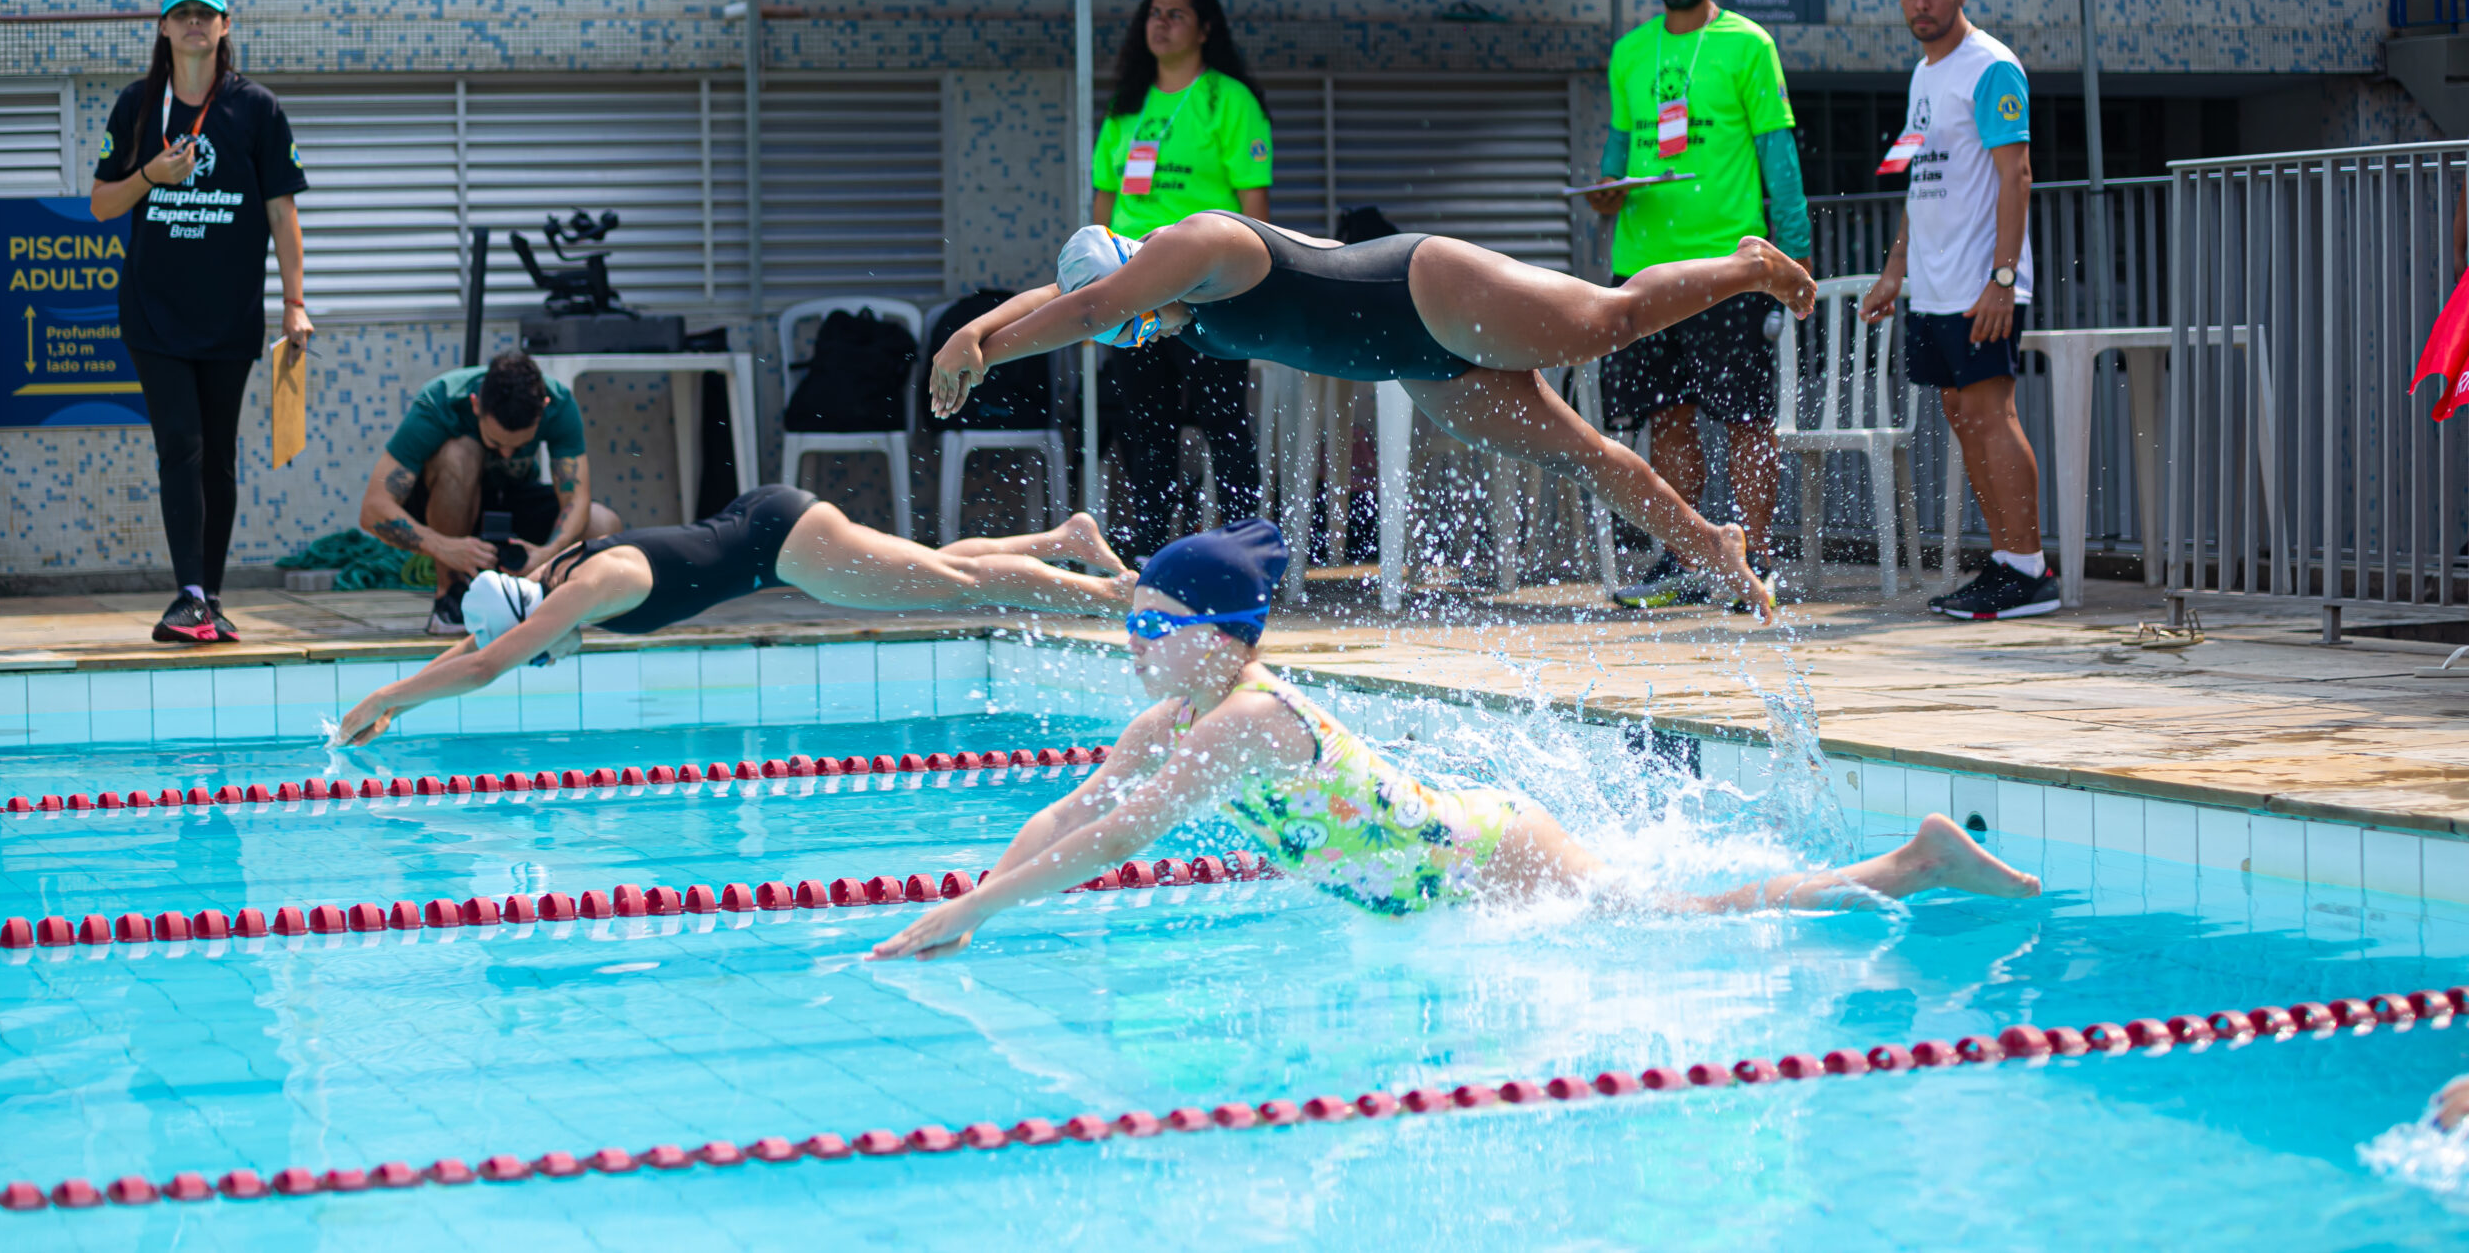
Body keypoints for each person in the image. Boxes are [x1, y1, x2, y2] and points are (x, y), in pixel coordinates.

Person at [868, 520, 2038, 959]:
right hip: (1458, 876)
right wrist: (972, 899)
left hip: (1495, 864)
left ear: (1213, 638)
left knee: (1692, 925)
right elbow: (1078, 809)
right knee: (1676, 916)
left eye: (1145, 626)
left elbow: (1125, 831)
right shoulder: (1172, 714)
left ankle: (1909, 862)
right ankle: (1903, 865)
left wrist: (972, 912)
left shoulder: (1245, 725)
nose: (1126, 642)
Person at [929, 207, 1815, 617]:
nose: (1139, 333)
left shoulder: (1197, 243)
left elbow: (1080, 307)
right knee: (1579, 452)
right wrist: (972, 328)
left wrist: (985, 351)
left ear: (1135, 269)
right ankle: (1717, 549)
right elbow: (1062, 293)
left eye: (1131, 315)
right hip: (1414, 362)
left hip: (1419, 284)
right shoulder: (1166, 312)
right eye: (1129, 331)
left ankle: (1745, 267)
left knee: (1602, 323)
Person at [335, 493, 1134, 745]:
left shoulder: (586, 588)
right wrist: (394, 697)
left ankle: (1113, 595)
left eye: (540, 649)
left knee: (952, 583)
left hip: (779, 543)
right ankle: (1062, 539)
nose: (550, 656)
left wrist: (384, 700)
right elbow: (491, 649)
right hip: (770, 527)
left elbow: (483, 665)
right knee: (928, 566)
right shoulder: (554, 575)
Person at [1586, 0, 1811, 611]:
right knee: (1668, 417)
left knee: (1746, 415)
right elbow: (1614, 162)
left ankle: (1759, 558)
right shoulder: (1629, 52)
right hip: (1645, 270)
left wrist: (1794, 258)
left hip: (1729, 267)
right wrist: (1603, 194)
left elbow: (1779, 155)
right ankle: (1685, 557)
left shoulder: (1747, 44)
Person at [88, 0, 309, 645]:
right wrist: (152, 175)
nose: (192, 24)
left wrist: (296, 303)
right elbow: (101, 204)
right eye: (181, 14)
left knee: (219, 456)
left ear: (223, 26)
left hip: (230, 313)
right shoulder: (136, 106)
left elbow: (282, 212)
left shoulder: (257, 109)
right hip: (154, 313)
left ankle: (208, 596)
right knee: (178, 445)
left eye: (204, 15)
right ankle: (188, 594)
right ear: (163, 28)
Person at [1859, 0, 2057, 620]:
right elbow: (1922, 181)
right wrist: (1896, 268)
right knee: (1960, 412)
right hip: (1935, 285)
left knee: (1990, 411)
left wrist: (2002, 278)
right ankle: (2005, 562)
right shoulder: (1923, 75)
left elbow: (2017, 175)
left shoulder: (1991, 67)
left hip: (1982, 282)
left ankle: (2030, 567)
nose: (1922, 4)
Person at [1087, 0, 1274, 561]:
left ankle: (1246, 553)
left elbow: (1256, 212)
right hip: (1134, 282)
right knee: (1146, 424)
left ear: (1205, 28)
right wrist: (1100, 280)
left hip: (1210, 286)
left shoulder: (1230, 100)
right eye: (1153, 14)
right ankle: (1149, 555)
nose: (1160, 23)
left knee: (1224, 420)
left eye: (1176, 14)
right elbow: (1103, 203)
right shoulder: (1127, 106)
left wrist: (1248, 289)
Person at [360, 351, 623, 635]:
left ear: (543, 408)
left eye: (519, 445)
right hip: (452, 514)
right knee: (459, 454)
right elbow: (374, 509)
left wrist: (549, 553)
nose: (507, 453)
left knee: (603, 524)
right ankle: (452, 593)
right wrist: (444, 547)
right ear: (476, 405)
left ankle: (552, 596)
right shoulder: (439, 401)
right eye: (495, 442)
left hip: (513, 501)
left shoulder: (558, 403)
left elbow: (576, 499)